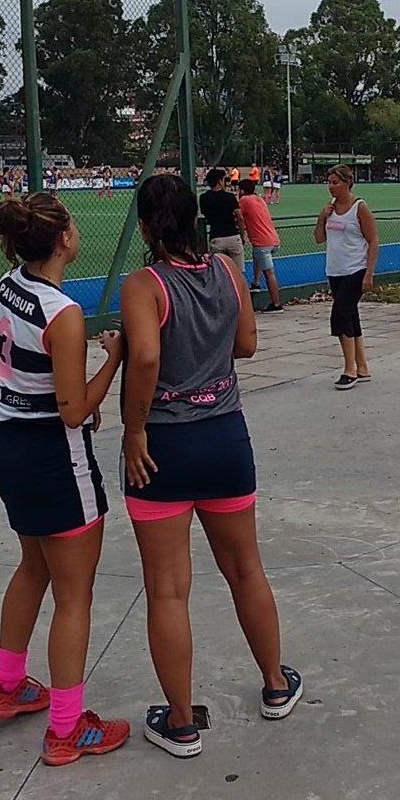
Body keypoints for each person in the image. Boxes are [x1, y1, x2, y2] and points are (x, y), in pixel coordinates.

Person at [119, 174, 301, 759]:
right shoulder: (224, 272)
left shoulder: (143, 284)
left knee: (168, 591)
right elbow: (246, 344)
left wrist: (134, 427)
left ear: (146, 226)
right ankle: (275, 684)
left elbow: (145, 354)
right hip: (225, 437)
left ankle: (180, 721)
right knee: (246, 570)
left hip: (162, 450)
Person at [0, 193, 129, 766]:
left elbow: (41, 381)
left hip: (8, 445)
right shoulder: (62, 313)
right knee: (75, 595)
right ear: (63, 238)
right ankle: (66, 728)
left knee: (33, 566)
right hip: (54, 457)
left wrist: (71, 391)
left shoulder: (6, 287)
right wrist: (112, 359)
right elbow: (72, 411)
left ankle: (7, 682)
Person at [313, 165, 378, 389]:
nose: (331, 187)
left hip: (356, 268)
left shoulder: (359, 207)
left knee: (340, 316)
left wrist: (368, 272)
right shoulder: (330, 208)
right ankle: (362, 366)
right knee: (351, 317)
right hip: (335, 270)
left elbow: (372, 240)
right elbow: (319, 238)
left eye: (335, 182)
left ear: (347, 182)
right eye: (329, 182)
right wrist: (322, 217)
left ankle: (349, 368)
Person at [238, 178, 282, 311]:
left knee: (269, 273)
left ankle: (276, 304)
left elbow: (237, 215)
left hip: (262, 243)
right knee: (255, 254)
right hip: (273, 239)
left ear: (242, 191)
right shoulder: (260, 200)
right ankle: (255, 282)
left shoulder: (244, 200)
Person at [200, 168, 247, 278]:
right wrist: (242, 234)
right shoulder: (229, 197)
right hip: (232, 236)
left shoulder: (204, 198)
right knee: (238, 273)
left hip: (216, 237)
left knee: (219, 273)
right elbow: (239, 217)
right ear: (220, 181)